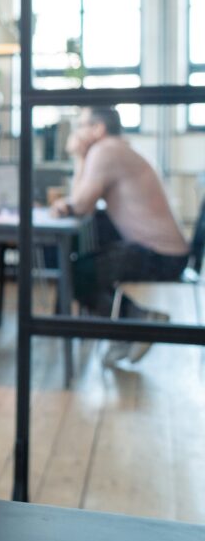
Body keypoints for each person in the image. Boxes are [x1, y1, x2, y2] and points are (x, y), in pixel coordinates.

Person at [51, 106, 189, 364]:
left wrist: (79, 157)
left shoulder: (105, 151)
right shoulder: (117, 148)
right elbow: (84, 205)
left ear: (98, 129)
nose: (77, 132)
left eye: (81, 125)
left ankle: (137, 322)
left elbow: (80, 205)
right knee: (84, 268)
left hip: (160, 257)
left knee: (76, 275)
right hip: (165, 253)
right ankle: (128, 332)